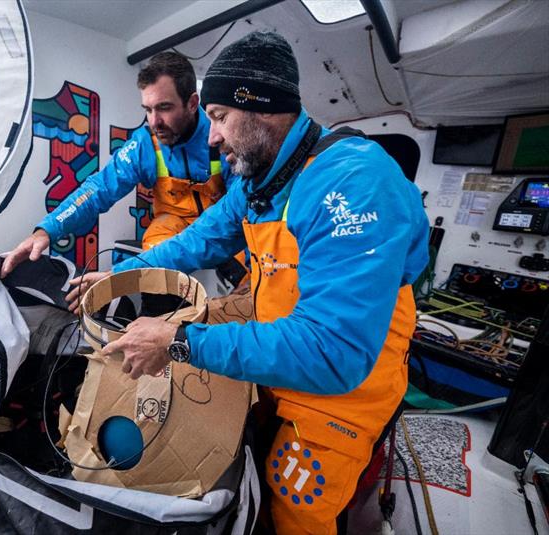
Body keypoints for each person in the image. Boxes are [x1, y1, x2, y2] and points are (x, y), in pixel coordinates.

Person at [72, 32, 429, 535]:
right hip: (277, 338)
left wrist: (177, 343)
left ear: (263, 110)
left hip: (346, 385)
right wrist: (121, 276)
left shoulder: (352, 184)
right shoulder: (261, 179)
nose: (212, 137)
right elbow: (200, 239)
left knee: (292, 503)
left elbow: (333, 354)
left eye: (218, 117)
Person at [0, 51, 242, 279]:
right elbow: (97, 191)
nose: (154, 121)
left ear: (191, 103)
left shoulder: (222, 136)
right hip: (171, 224)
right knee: (155, 272)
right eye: (148, 109)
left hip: (223, 222)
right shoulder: (144, 145)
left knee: (249, 270)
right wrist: (47, 231)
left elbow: (239, 210)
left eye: (164, 108)